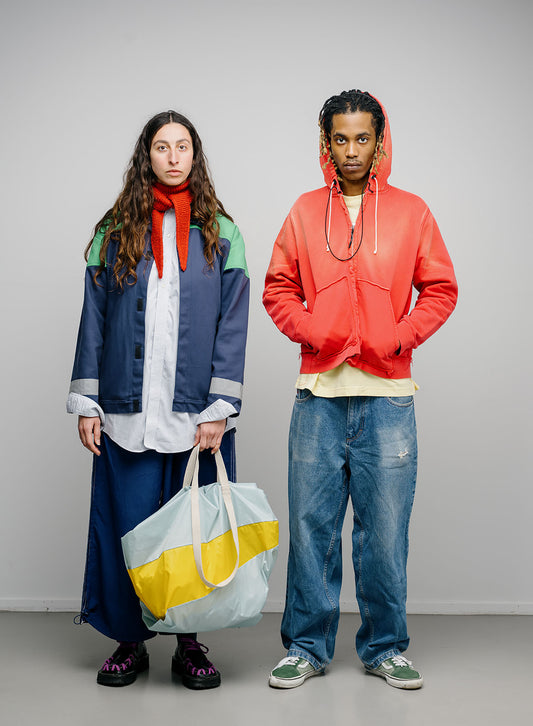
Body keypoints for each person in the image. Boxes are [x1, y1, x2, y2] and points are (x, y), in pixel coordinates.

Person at [263, 90, 457, 690]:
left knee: (385, 532)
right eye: (341, 139)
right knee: (311, 529)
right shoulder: (303, 212)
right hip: (317, 395)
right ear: (327, 143)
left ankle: (385, 647)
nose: (352, 150)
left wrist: (398, 337)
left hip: (388, 397)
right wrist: (314, 330)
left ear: (380, 142)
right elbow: (278, 288)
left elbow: (441, 289)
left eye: (363, 138)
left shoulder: (411, 212)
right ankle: (305, 647)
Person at [67, 110, 249, 689]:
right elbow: (94, 319)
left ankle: (189, 644)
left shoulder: (222, 232)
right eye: (162, 147)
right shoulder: (114, 230)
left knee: (192, 533)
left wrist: (220, 408)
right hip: (127, 412)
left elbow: (232, 325)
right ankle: (129, 640)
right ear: (146, 156)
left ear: (196, 156)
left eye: (183, 146)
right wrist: (87, 401)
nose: (173, 157)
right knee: (129, 527)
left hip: (197, 416)